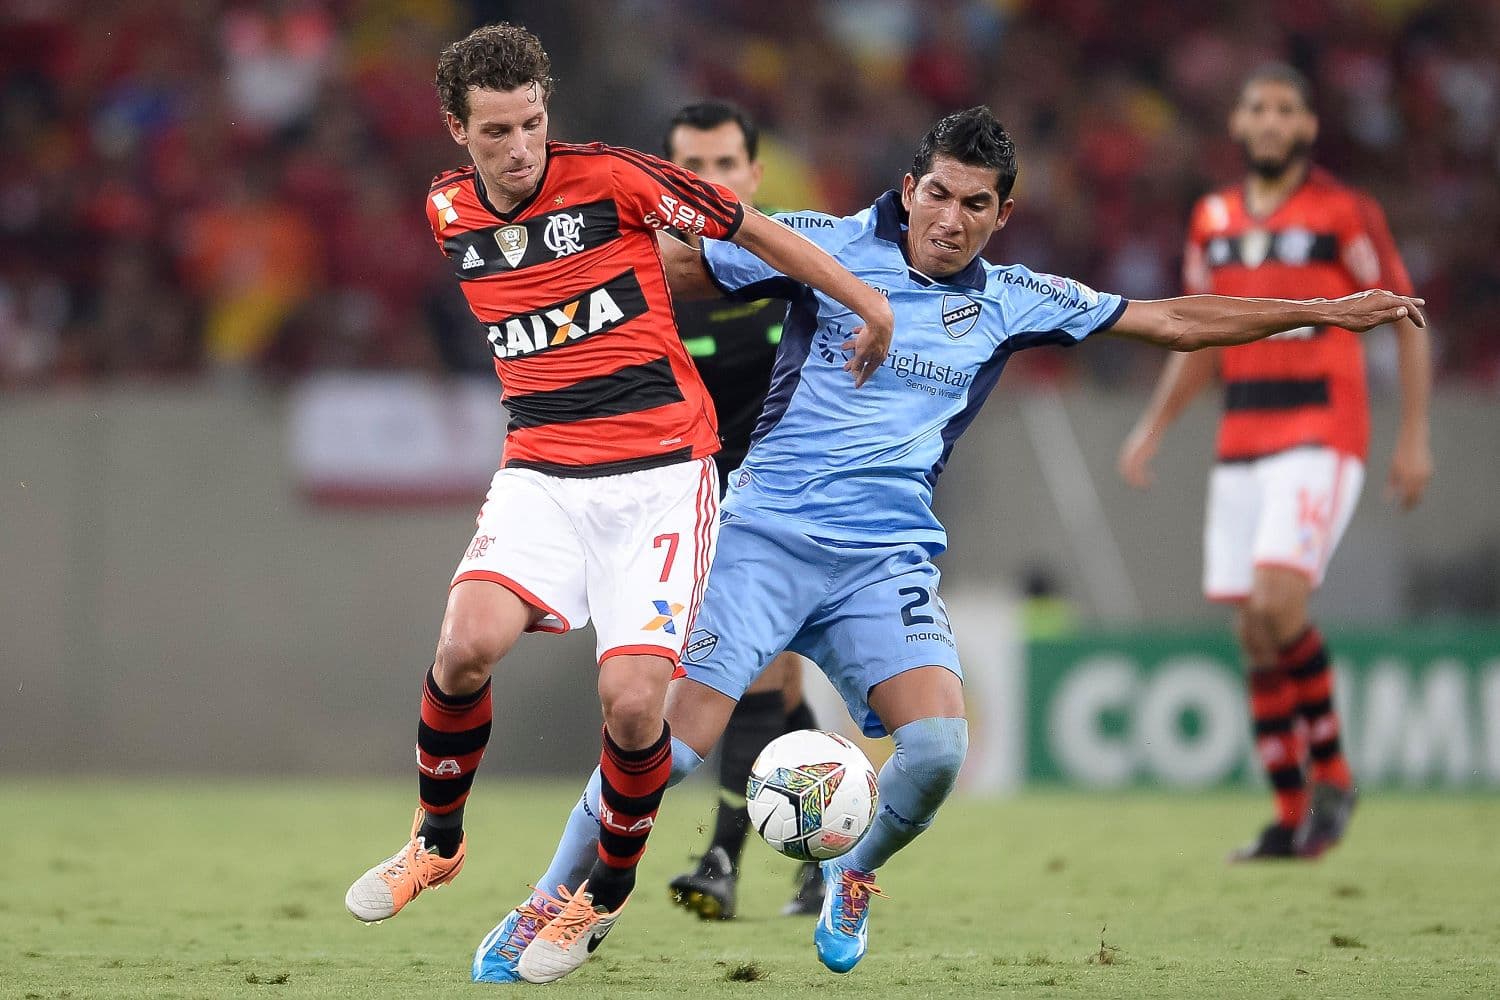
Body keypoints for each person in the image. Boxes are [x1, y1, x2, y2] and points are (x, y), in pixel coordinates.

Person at [493, 105, 1423, 984]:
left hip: (883, 563)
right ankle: (544, 902)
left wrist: (1323, 310)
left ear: (1002, 214)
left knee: (938, 749)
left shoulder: (1016, 298)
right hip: (762, 541)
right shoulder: (824, 244)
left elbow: (1172, 319)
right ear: (909, 188)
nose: (951, 218)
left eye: (976, 203)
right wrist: (543, 263)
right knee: (667, 753)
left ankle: (854, 871)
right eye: (937, 193)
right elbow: (675, 265)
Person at [342, 18, 894, 953]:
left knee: (635, 704)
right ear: (456, 130)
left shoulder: (614, 178)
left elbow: (753, 228)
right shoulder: (445, 210)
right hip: (542, 470)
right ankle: (436, 843)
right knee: (464, 647)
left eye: (532, 123)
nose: (521, 148)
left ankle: (604, 889)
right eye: (496, 132)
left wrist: (867, 301)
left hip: (662, 474)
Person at [1117, 64, 1433, 861]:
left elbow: (1405, 314)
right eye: (1256, 107)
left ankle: (1336, 776)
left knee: (1277, 603)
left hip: (1321, 428)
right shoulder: (1213, 218)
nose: (1269, 120)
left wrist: (1414, 434)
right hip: (1242, 439)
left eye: (1285, 109)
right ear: (1237, 122)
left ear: (1307, 127)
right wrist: (1153, 427)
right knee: (1254, 632)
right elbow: (1197, 333)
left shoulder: (1343, 211)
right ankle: (1292, 819)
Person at [659, 99, 825, 922]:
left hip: (781, 494)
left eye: (725, 165)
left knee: (756, 669)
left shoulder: (794, 264)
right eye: (692, 167)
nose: (710, 181)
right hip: (684, 494)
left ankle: (722, 857)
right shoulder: (646, 276)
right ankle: (829, 852)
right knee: (772, 687)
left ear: (754, 176)